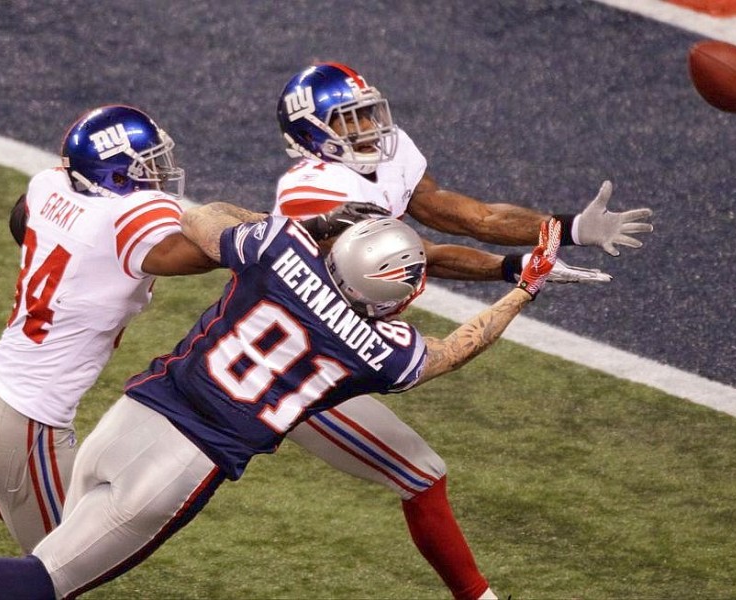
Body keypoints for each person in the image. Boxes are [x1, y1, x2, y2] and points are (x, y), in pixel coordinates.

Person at [0, 200, 563, 600]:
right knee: (47, 581)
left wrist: (322, 223)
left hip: (132, 417)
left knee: (52, 555)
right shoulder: (379, 348)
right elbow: (456, 348)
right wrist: (523, 290)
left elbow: (201, 218)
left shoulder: (280, 249)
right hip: (182, 465)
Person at [270, 62, 655, 599]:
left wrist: (565, 228)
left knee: (421, 474)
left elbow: (457, 211)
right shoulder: (310, 191)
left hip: (345, 342)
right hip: (301, 360)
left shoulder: (385, 151)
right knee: (417, 471)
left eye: (368, 114)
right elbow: (409, 258)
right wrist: (510, 267)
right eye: (350, 121)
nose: (370, 129)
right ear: (313, 134)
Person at [0, 104, 221, 552]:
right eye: (148, 167)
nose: (160, 177)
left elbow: (23, 216)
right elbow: (205, 252)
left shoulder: (47, 187)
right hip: (28, 423)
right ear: (116, 176)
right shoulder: (116, 223)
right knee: (64, 564)